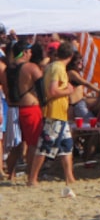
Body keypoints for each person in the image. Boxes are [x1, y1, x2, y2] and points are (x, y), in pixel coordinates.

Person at [28, 41, 76, 188]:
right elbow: (52, 91)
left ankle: (70, 177)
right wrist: (68, 91)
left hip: (60, 113)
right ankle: (32, 178)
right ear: (71, 55)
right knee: (45, 145)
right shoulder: (58, 68)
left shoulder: (53, 66)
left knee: (66, 145)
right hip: (54, 112)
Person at [4, 39, 44, 181]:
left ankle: (10, 173)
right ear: (25, 52)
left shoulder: (8, 69)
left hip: (12, 108)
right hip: (30, 108)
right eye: (30, 51)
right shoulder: (31, 67)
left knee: (16, 145)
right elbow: (41, 90)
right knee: (33, 143)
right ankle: (31, 176)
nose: (31, 53)